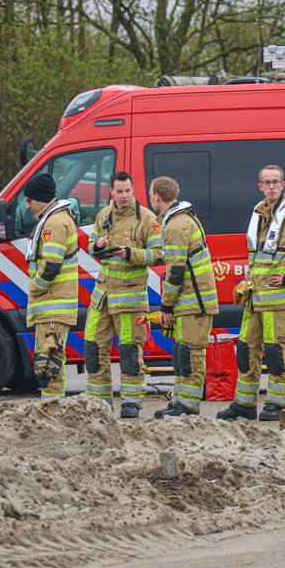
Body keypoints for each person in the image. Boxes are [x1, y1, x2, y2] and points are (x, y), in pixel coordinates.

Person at [217, 165, 285, 422]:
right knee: (245, 352)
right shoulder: (259, 213)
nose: (272, 186)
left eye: (276, 182)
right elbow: (257, 258)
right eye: (267, 182)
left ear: (283, 185)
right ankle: (244, 405)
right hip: (254, 302)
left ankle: (276, 405)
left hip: (279, 303)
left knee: (277, 355)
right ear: (260, 187)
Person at [83, 172, 163, 419]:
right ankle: (99, 404)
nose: (125, 196)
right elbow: (90, 246)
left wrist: (131, 254)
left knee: (129, 353)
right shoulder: (103, 215)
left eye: (128, 190)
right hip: (103, 296)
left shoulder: (147, 219)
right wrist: (96, 247)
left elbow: (159, 253)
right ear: (111, 193)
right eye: (120, 191)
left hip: (130, 298)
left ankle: (131, 403)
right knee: (93, 349)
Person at [150, 176, 219, 418]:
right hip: (189, 303)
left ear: (157, 197)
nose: (151, 201)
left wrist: (166, 306)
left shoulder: (176, 226)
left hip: (193, 303)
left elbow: (176, 270)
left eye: (151, 196)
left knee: (190, 355)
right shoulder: (179, 220)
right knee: (182, 354)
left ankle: (187, 407)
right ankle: (179, 402)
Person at [22, 173, 78, 401]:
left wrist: (35, 288)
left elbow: (51, 266)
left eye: (29, 200)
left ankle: (52, 408)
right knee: (50, 360)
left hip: (52, 303)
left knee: (49, 363)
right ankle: (53, 405)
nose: (27, 206)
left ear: (41, 198)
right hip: (51, 305)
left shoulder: (54, 222)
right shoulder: (53, 219)